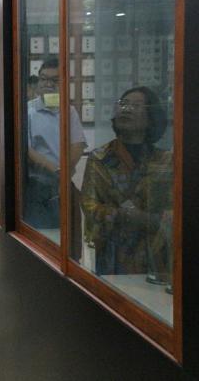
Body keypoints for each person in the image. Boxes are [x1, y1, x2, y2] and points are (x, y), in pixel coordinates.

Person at [81, 86, 171, 276]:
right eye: (123, 104)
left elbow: (174, 209)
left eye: (136, 106)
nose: (126, 109)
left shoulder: (164, 161)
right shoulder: (100, 158)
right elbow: (89, 206)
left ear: (151, 118)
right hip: (113, 256)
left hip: (155, 256)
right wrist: (125, 215)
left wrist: (151, 220)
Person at [24, 57, 87, 258]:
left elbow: (77, 145)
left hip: (64, 188)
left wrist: (63, 173)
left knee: (70, 249)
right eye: (43, 79)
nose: (48, 84)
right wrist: (56, 170)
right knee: (42, 248)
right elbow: (26, 151)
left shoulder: (69, 111)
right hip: (39, 191)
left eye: (54, 80)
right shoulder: (28, 111)